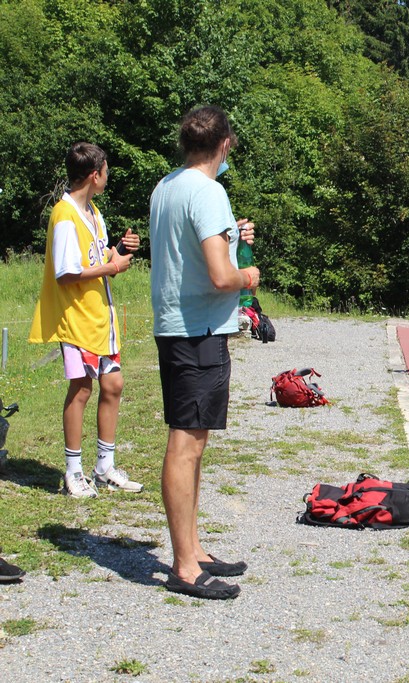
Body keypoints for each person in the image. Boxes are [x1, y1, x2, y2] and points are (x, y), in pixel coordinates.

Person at [149, 105, 259, 600]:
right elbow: (219, 276)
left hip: (176, 326)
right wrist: (248, 275)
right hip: (198, 330)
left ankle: (192, 549)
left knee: (193, 438)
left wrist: (232, 236)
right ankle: (184, 567)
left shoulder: (167, 185)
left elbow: (186, 252)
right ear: (225, 143)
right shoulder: (209, 191)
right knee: (186, 443)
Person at [29, 142, 143, 499]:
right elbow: (66, 273)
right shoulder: (65, 215)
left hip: (100, 318)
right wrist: (112, 268)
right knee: (81, 389)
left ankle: (104, 468)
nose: (107, 177)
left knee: (113, 385)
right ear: (95, 175)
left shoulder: (92, 211)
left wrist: (119, 251)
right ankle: (73, 472)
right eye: (106, 171)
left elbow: (98, 256)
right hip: (76, 318)